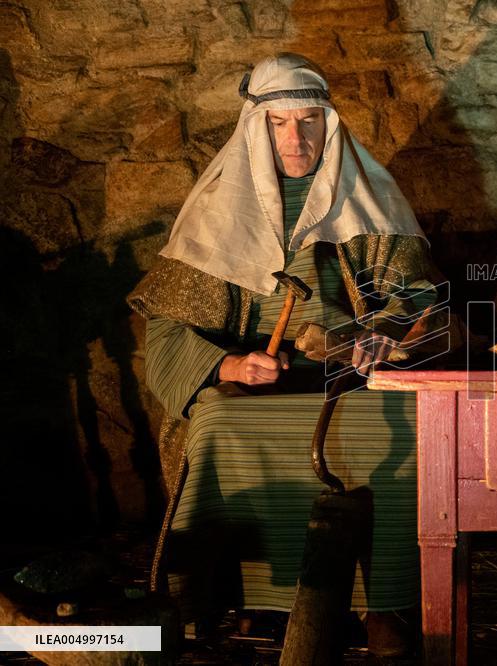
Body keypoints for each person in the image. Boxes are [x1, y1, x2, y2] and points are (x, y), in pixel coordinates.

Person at [127, 53, 440, 656]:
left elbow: (420, 302)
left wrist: (385, 337)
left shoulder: (369, 202)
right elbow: (166, 332)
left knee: (408, 425)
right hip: (258, 383)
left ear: (330, 124)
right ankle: (251, 596)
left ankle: (387, 602)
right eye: (279, 123)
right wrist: (230, 366)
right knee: (219, 419)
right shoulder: (216, 215)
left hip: (352, 377)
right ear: (256, 128)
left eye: (308, 120)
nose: (296, 137)